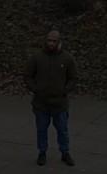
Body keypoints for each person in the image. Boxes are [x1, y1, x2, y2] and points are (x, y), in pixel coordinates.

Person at [24, 29, 77, 166]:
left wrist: (65, 90)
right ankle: (42, 153)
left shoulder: (67, 58)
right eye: (49, 40)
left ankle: (65, 153)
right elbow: (27, 76)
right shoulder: (37, 57)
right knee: (41, 130)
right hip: (41, 103)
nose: (51, 43)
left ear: (59, 42)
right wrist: (35, 89)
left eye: (54, 41)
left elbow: (73, 78)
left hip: (60, 103)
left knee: (62, 130)